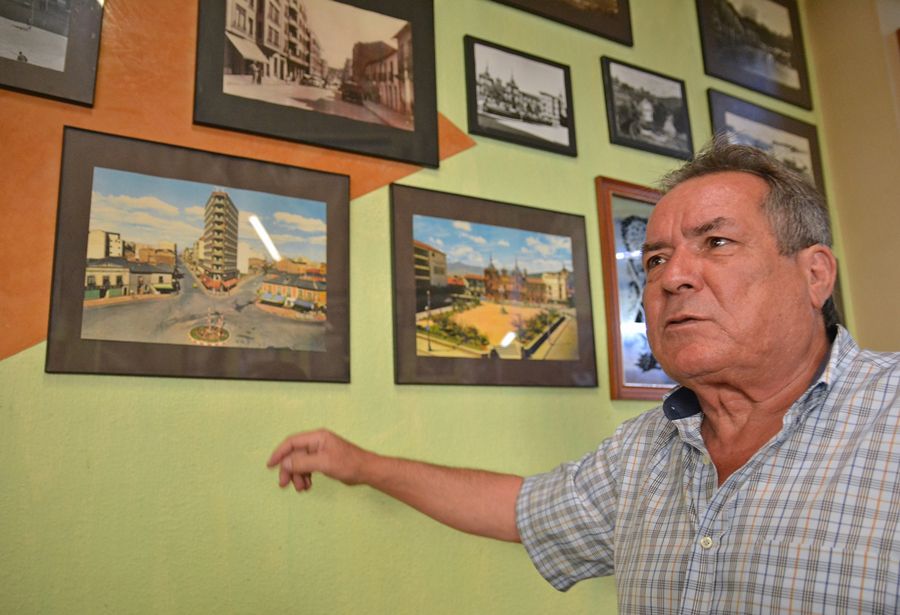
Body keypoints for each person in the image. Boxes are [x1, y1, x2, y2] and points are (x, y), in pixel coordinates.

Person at [267, 138, 899, 612]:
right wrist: (361, 464)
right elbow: (520, 510)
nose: (673, 276)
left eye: (716, 243)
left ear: (814, 274)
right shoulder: (642, 450)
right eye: (655, 259)